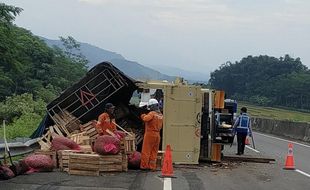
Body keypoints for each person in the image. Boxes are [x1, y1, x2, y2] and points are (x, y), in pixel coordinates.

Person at [140, 98, 163, 171]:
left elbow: (146, 119)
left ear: (152, 106)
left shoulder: (152, 113)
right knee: (154, 152)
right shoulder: (160, 115)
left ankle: (144, 166)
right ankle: (152, 166)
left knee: (146, 151)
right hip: (157, 135)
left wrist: (142, 115)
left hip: (150, 134)